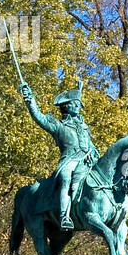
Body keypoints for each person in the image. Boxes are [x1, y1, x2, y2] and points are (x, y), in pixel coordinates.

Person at [20, 77, 100, 231]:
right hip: (69, 161)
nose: (77, 107)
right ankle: (64, 216)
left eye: (78, 104)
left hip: (87, 161)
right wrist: (29, 99)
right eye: (74, 104)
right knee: (66, 180)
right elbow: (39, 117)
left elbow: (91, 145)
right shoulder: (58, 126)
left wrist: (93, 152)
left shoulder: (83, 127)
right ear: (66, 106)